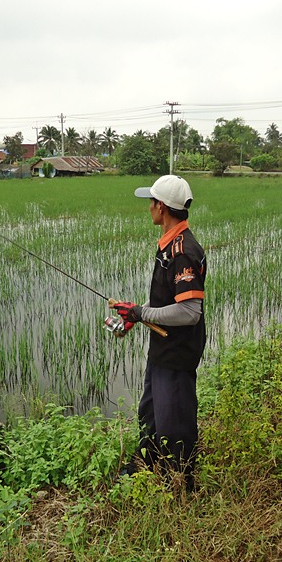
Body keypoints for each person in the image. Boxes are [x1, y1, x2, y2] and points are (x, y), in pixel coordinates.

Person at [112, 174, 207, 492]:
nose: (148, 207)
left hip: (177, 351)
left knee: (174, 417)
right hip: (162, 348)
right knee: (151, 410)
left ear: (162, 207)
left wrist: (142, 313)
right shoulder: (168, 245)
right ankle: (146, 465)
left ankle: (181, 482)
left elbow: (190, 312)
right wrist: (135, 314)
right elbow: (165, 301)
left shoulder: (183, 252)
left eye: (151, 201)